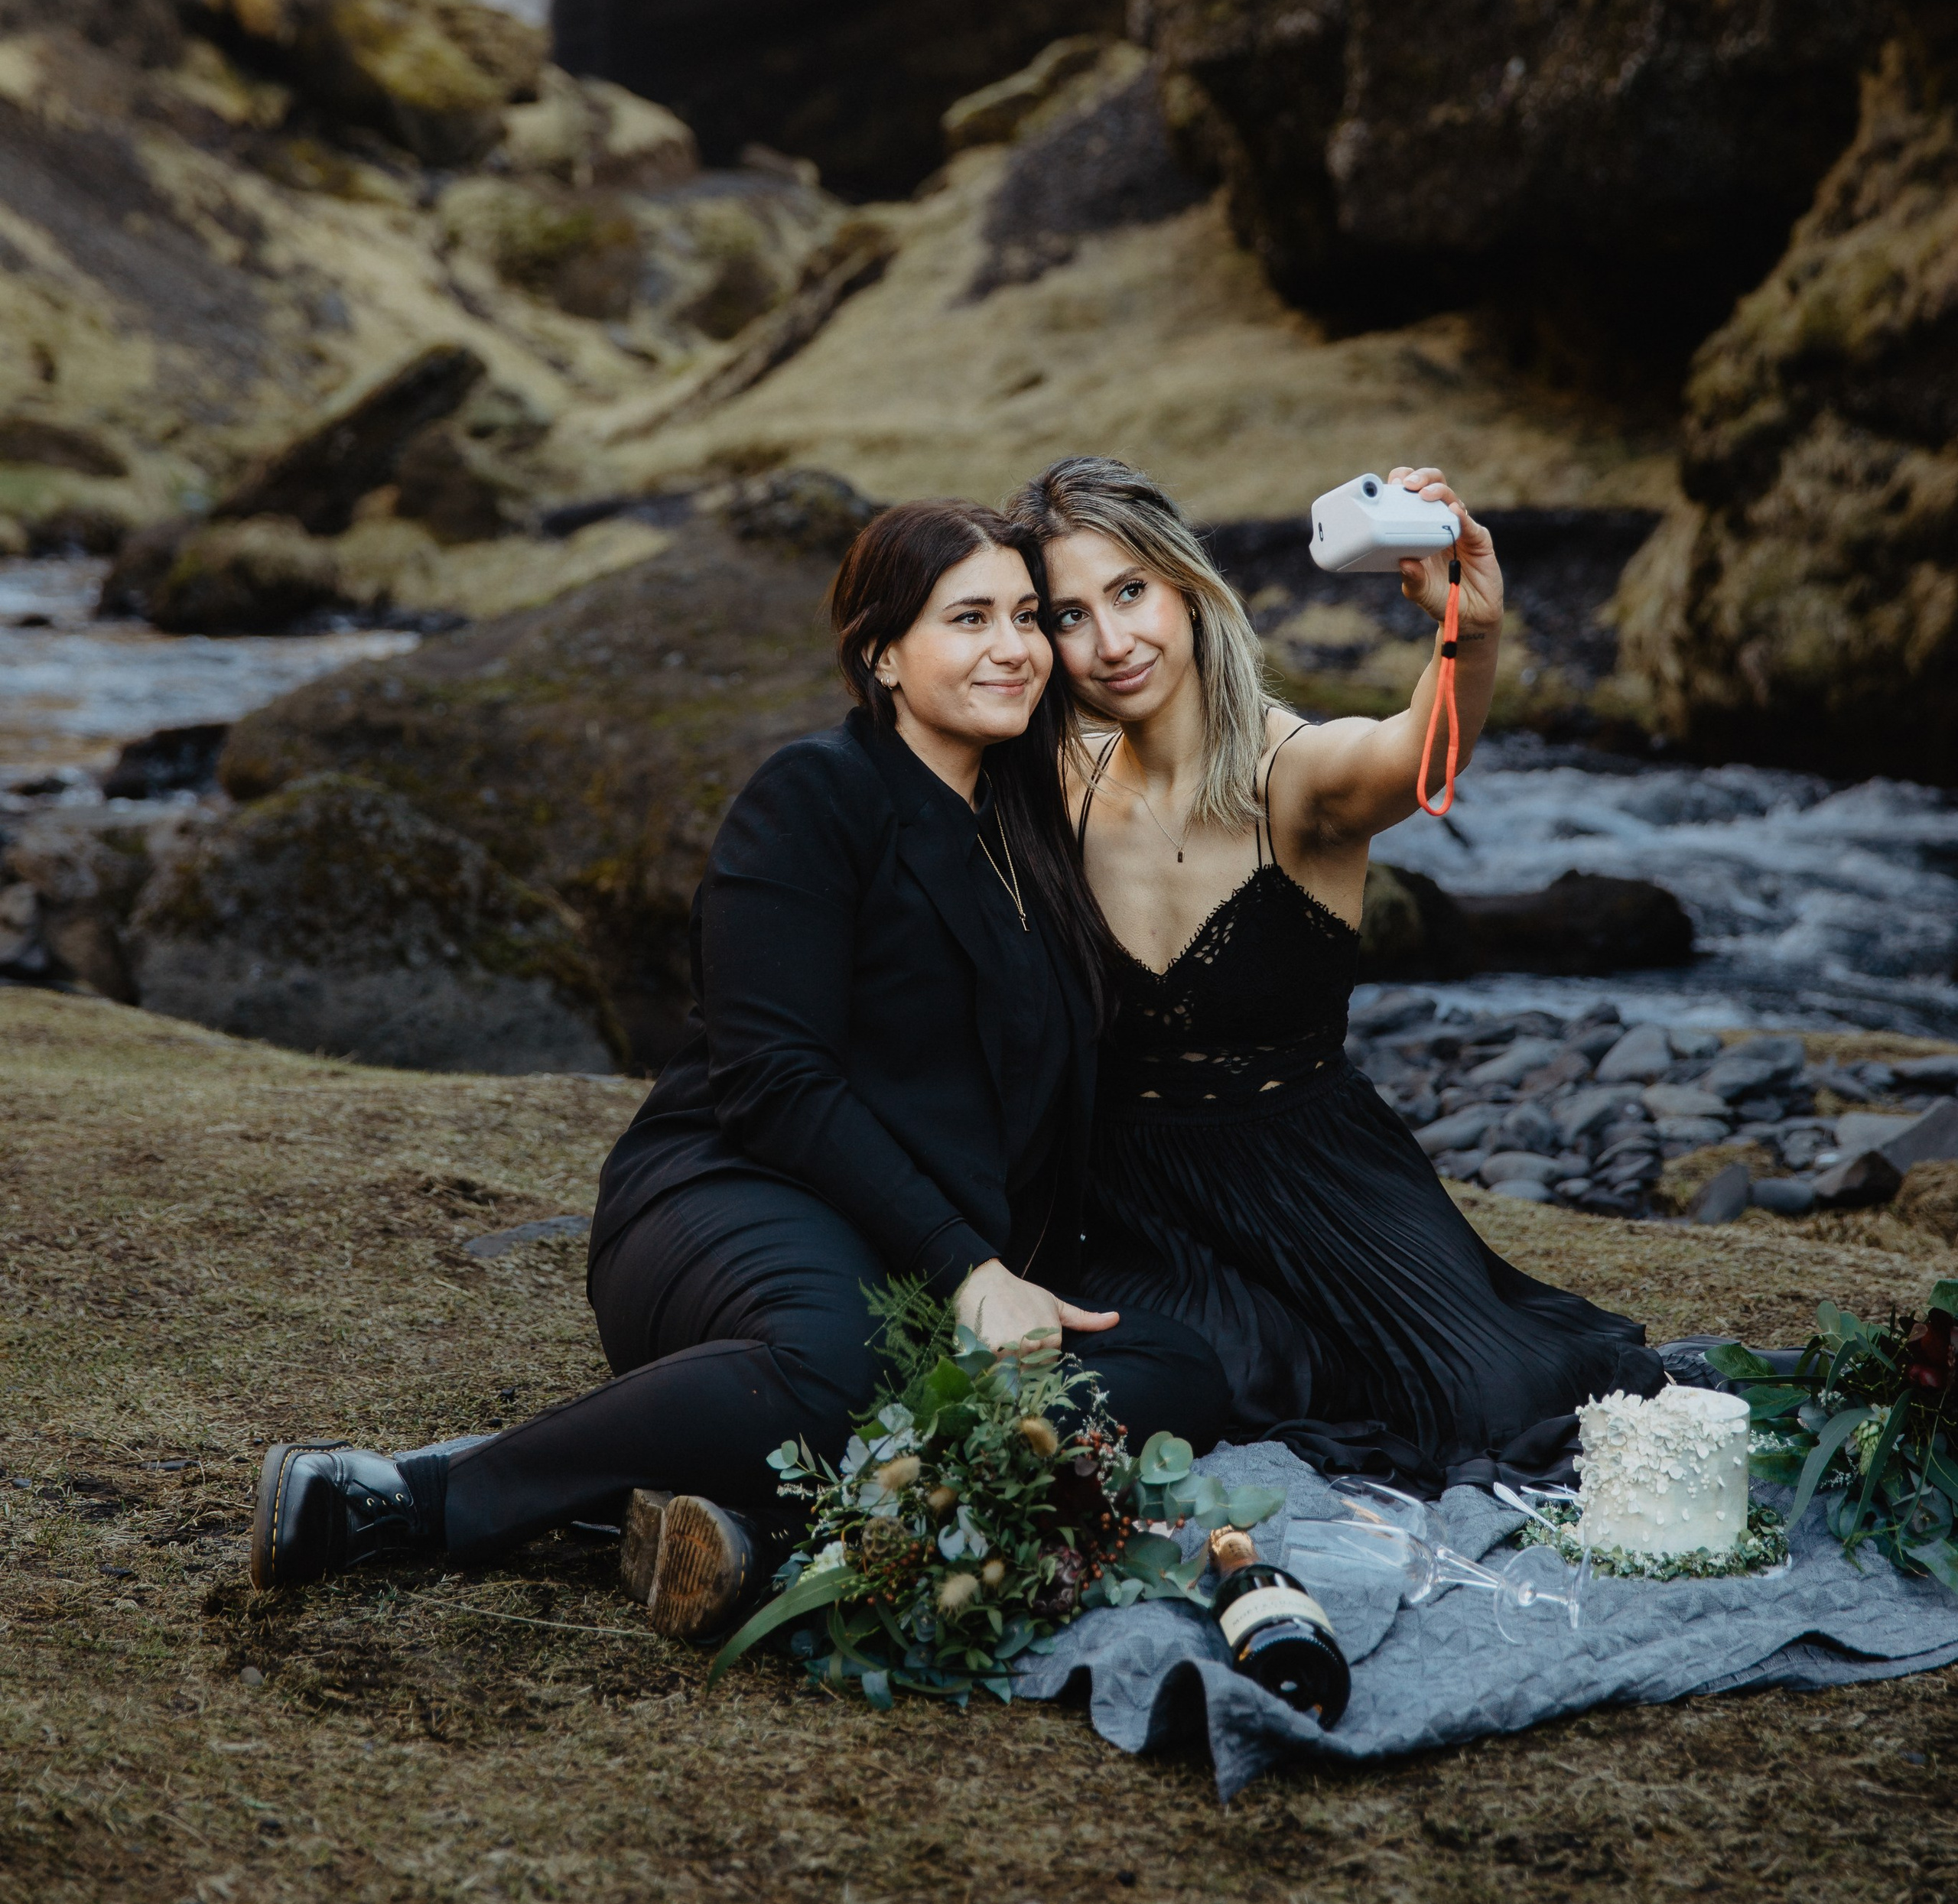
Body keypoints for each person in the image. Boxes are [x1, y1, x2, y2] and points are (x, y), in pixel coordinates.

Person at [252, 499, 1229, 1629]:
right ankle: (417, 1496)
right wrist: (971, 1271)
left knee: (1174, 1369)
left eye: (1023, 615)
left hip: (914, 1244)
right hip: (731, 1193)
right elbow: (776, 1080)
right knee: (839, 1365)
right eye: (968, 618)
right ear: (882, 653)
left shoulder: (1031, 827)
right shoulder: (813, 797)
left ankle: (743, 1515)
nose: (1013, 647)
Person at [1003, 454, 1663, 1491]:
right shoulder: (1053, 787)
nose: (1112, 642)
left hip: (1317, 1177)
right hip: (1131, 1197)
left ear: (1185, 585)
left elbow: (1420, 755)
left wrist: (1470, 632)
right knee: (1196, 1384)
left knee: (1493, 1407)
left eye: (1129, 592)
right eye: (1070, 615)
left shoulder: (1294, 774)